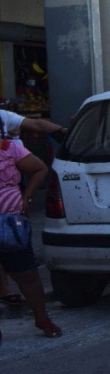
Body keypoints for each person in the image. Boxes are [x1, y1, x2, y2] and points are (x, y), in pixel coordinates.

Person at [0, 135, 59, 338]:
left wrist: (26, 197)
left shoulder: (8, 148)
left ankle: (42, 319)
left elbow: (39, 168)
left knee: (28, 275)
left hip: (11, 225)